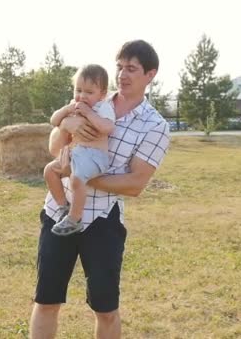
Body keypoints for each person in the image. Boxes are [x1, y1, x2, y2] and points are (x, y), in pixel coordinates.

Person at [30, 40, 171, 339]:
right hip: (58, 213)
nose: (123, 74)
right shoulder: (93, 98)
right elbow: (54, 147)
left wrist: (80, 175)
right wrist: (67, 124)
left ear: (150, 75)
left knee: (105, 310)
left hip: (103, 221)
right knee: (46, 302)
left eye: (131, 68)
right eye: (120, 66)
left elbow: (135, 184)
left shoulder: (155, 126)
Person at [44, 64, 115, 236]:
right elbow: (54, 121)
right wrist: (66, 112)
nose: (82, 96)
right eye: (78, 90)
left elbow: (107, 128)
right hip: (76, 154)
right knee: (49, 171)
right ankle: (63, 207)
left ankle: (74, 218)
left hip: (95, 157)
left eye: (89, 92)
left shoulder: (102, 107)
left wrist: (90, 114)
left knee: (76, 178)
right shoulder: (73, 105)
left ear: (102, 94)